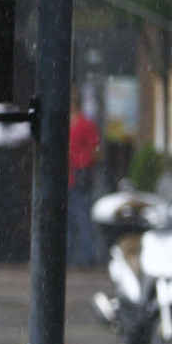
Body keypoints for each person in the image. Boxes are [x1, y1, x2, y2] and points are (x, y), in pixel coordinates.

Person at [68, 90, 102, 267]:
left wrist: (83, 162)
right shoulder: (66, 122)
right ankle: (68, 255)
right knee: (69, 219)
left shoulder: (85, 124)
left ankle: (86, 256)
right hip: (67, 177)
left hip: (79, 176)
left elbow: (95, 150)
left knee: (82, 217)